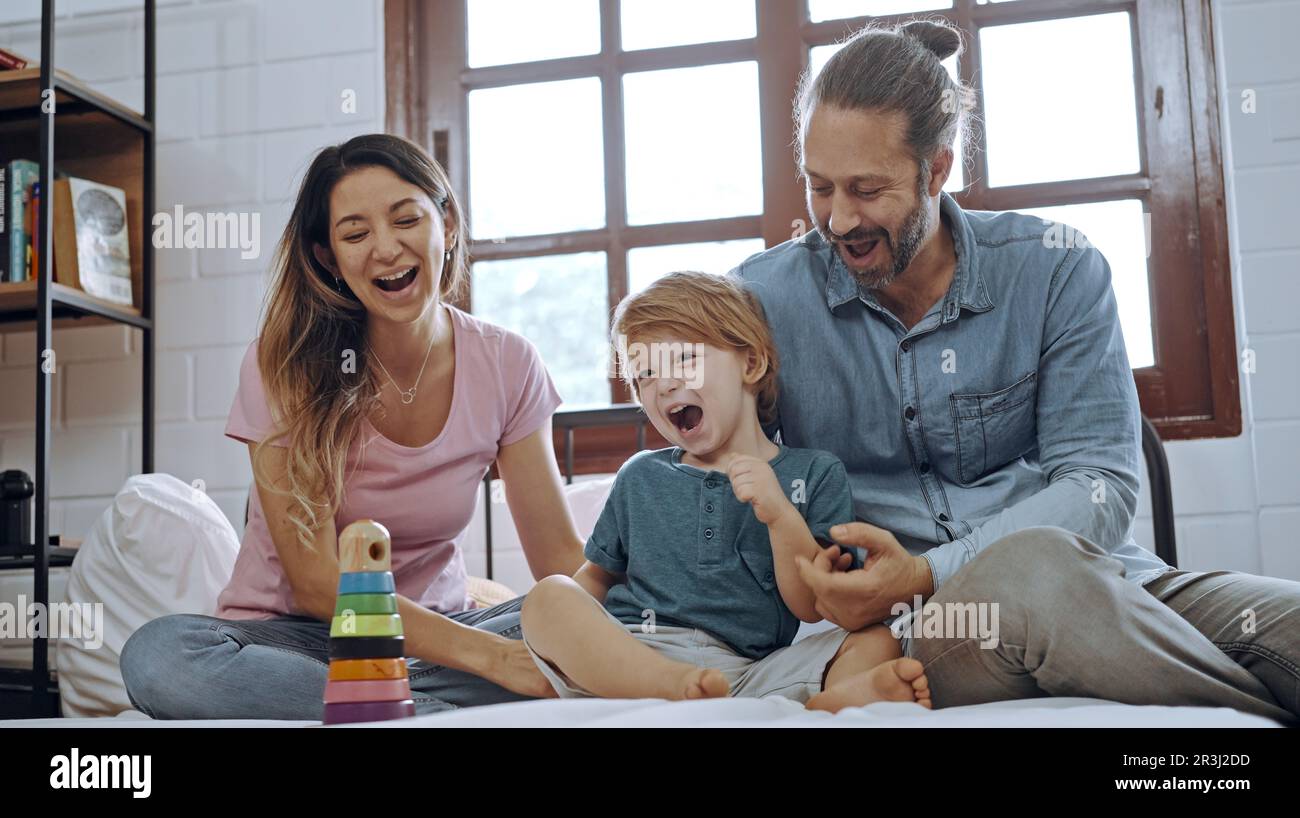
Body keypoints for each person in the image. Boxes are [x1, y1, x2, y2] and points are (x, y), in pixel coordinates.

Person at [733, 19, 1299, 723]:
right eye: (820, 187)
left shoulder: (1057, 267)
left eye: (867, 189)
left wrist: (925, 568)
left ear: (937, 168)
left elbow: (1100, 487)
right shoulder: (763, 302)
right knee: (1030, 571)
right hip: (927, 630)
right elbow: (707, 477)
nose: (839, 218)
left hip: (1107, 588)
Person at [120, 134, 579, 719]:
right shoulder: (285, 364)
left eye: (405, 219)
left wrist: (631, 611)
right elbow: (316, 583)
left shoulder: (508, 363)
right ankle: (429, 711)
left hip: (441, 640)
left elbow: (560, 563)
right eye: (356, 234)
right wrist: (498, 662)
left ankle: (382, 706)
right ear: (326, 258)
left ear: (448, 223)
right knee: (159, 656)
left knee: (584, 614)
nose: (385, 249)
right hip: (300, 639)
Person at [520, 272, 932, 711]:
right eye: (645, 374)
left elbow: (812, 606)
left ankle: (828, 704)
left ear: (750, 365)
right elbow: (597, 577)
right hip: (631, 656)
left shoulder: (814, 473)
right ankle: (672, 686)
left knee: (879, 636)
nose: (663, 384)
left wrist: (779, 514)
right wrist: (567, 621)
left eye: (683, 360)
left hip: (750, 669)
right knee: (548, 597)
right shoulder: (640, 476)